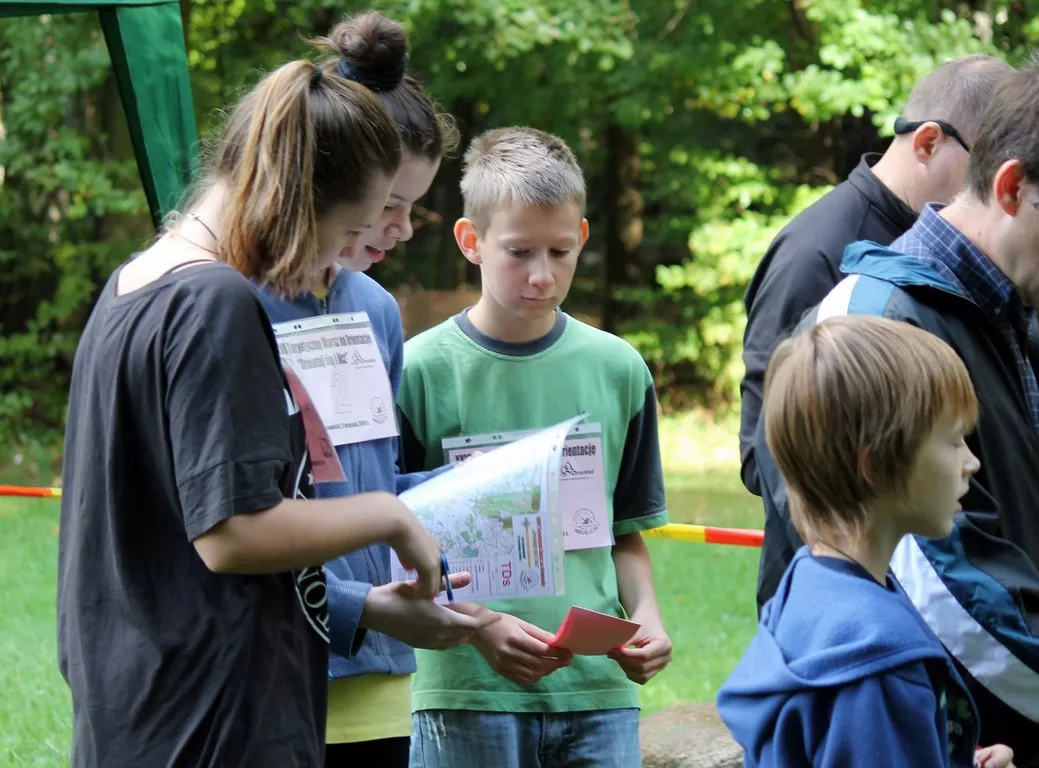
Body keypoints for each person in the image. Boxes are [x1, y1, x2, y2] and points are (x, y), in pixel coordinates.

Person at [56, 58, 448, 768]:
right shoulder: (215, 303)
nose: (340, 261)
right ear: (296, 199)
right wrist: (390, 516)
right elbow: (231, 532)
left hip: (144, 708)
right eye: (348, 230)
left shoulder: (134, 284)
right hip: (215, 720)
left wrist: (370, 608)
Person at [753, 61, 1039, 765]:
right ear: (1011, 188)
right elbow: (938, 587)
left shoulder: (1013, 307)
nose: (965, 462)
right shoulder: (877, 322)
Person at [254, 12, 492, 768]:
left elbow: (369, 484)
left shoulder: (377, 310)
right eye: (390, 205)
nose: (403, 228)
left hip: (384, 673)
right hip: (278, 672)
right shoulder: (232, 305)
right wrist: (355, 606)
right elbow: (238, 517)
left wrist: (482, 488)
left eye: (412, 206)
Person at [397, 127, 673, 768]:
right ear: (471, 241)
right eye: (519, 252)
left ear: (582, 237)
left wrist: (649, 618)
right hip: (466, 692)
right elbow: (391, 549)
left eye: (560, 251)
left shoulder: (619, 369)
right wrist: (479, 628)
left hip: (598, 691)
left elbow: (625, 533)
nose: (542, 275)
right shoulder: (419, 372)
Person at [717, 315, 1015, 768]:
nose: (971, 462)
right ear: (875, 464)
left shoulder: (808, 584)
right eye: (954, 441)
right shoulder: (880, 667)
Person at [739, 54, 1012, 503]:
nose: (997, 193)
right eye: (986, 167)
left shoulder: (969, 251)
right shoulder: (814, 252)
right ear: (927, 143)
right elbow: (765, 456)